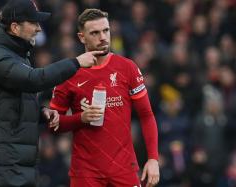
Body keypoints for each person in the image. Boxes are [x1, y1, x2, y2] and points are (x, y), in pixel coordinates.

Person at [0, 0, 104, 186]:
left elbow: (13, 100)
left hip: (13, 160)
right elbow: (34, 80)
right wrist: (75, 63)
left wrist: (42, 112)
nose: (39, 28)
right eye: (33, 23)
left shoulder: (16, 53)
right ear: (15, 27)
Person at [49, 9, 160, 187]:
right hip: (85, 172)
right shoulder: (68, 73)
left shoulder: (127, 68)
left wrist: (153, 158)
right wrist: (80, 119)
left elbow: (146, 115)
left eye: (106, 31)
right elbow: (52, 124)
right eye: (95, 33)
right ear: (81, 37)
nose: (103, 37)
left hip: (124, 168)